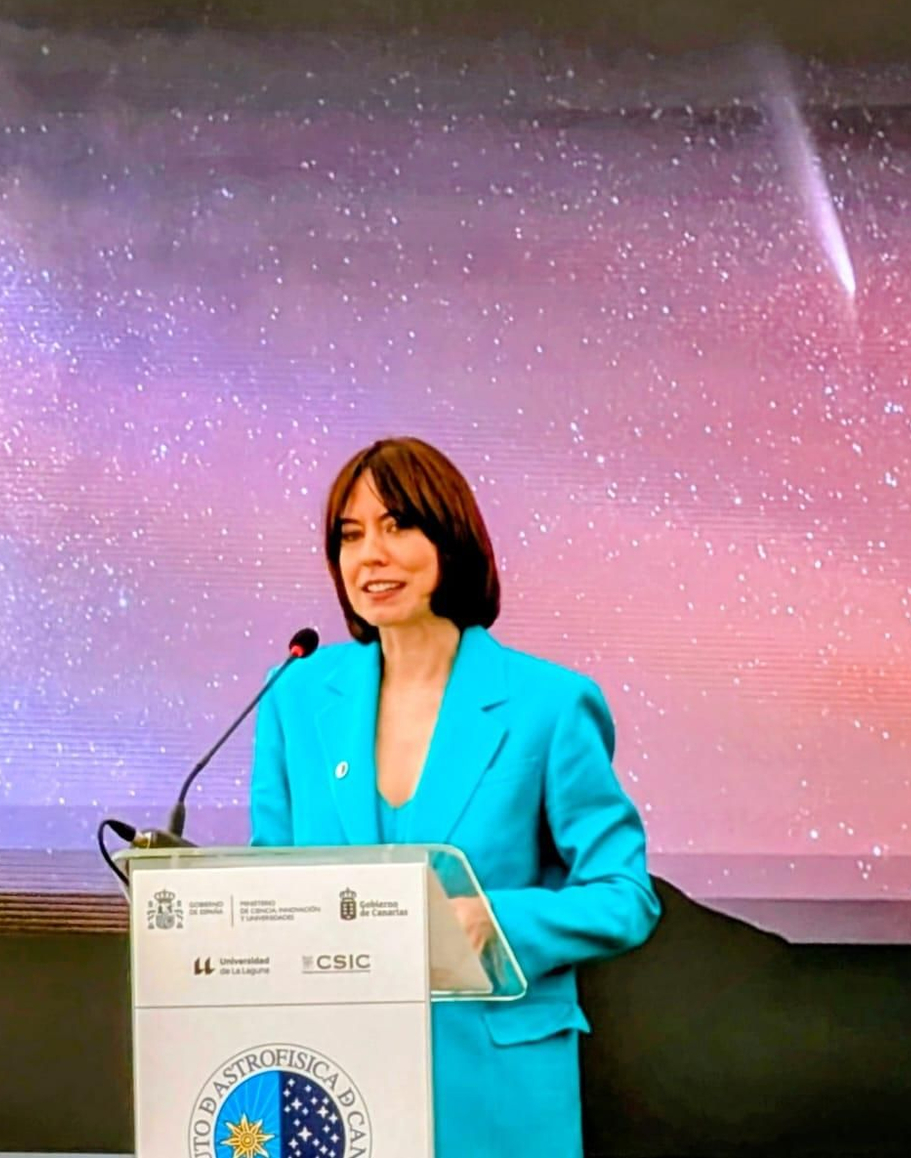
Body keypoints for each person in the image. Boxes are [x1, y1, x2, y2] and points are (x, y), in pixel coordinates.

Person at [248, 437, 659, 1158]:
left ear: (450, 536)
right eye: (350, 535)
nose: (370, 554)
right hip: (331, 1087)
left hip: (495, 1093)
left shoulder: (550, 704)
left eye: (397, 525)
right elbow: (269, 881)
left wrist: (493, 920)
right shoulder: (295, 697)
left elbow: (625, 895)